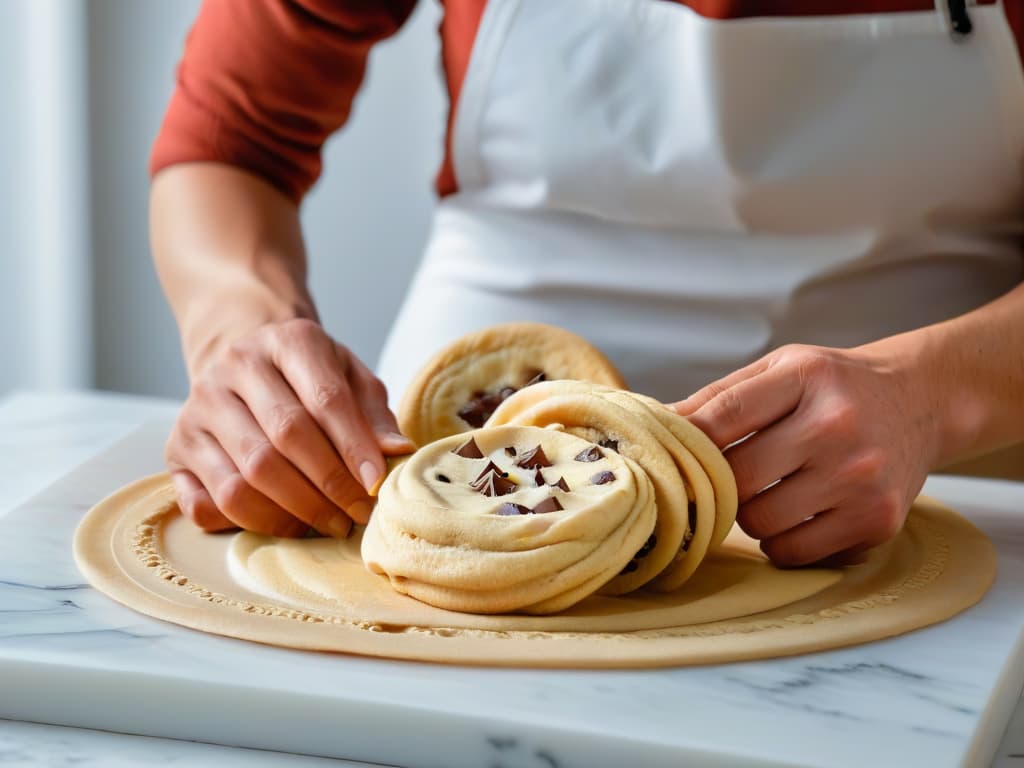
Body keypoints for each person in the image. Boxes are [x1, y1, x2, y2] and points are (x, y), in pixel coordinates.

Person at [150, 0, 1024, 568]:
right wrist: (243, 336)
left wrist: (935, 396)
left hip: (942, 444)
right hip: (462, 442)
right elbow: (233, 145)